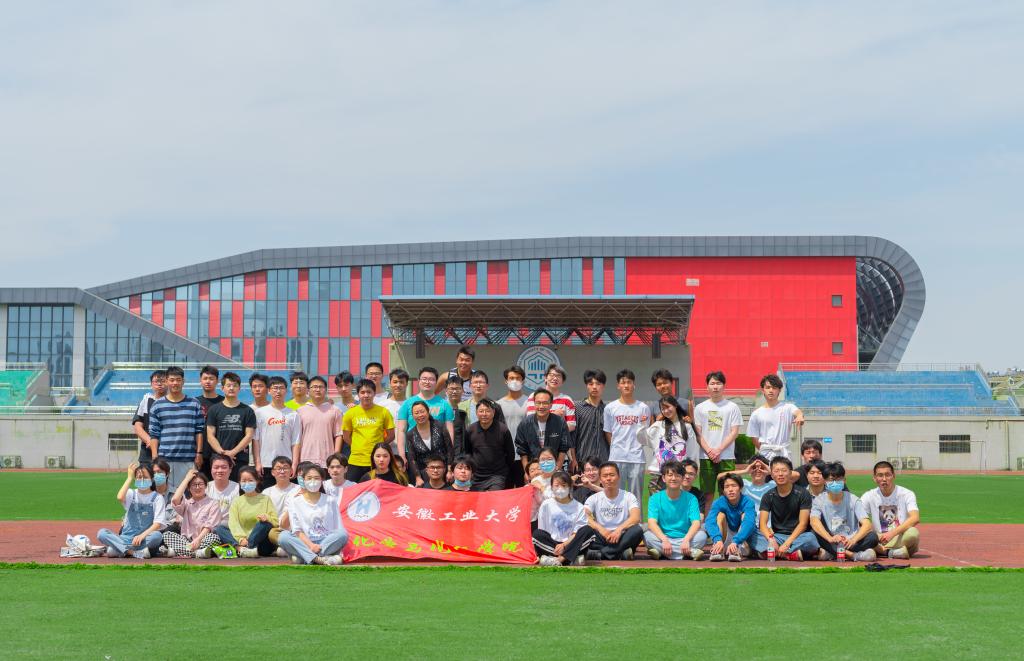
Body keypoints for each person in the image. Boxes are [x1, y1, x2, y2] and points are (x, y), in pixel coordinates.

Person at [277, 464, 349, 566]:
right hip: (305, 542)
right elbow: (297, 531)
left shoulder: (330, 500)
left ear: (322, 480)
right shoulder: (295, 502)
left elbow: (338, 527)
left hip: (326, 541)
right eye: (309, 478)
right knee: (283, 536)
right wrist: (311, 545)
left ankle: (304, 557)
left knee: (342, 534)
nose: (313, 481)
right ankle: (318, 558)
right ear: (303, 480)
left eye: (316, 478)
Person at [148, 365, 205, 489]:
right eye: (172, 380)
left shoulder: (194, 403)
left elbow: (199, 431)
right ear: (166, 381)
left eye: (178, 380)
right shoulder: (157, 405)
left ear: (183, 381)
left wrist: (199, 453)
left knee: (187, 494)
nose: (175, 383)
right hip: (164, 460)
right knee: (162, 493)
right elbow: (154, 433)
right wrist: (155, 458)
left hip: (188, 459)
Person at [693, 371, 743, 512]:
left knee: (727, 492)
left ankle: (727, 522)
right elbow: (698, 433)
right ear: (707, 386)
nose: (715, 386)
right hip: (706, 457)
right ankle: (708, 522)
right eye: (712, 383)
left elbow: (734, 432)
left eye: (718, 383)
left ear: (724, 386)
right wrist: (710, 451)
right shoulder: (700, 408)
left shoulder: (732, 407)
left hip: (726, 456)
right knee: (707, 494)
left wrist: (719, 450)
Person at [810, 462, 879, 561]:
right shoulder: (819, 500)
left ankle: (832, 553)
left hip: (851, 541)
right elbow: (814, 521)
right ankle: (853, 555)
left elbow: (867, 524)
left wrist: (853, 539)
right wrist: (830, 538)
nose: (835, 483)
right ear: (825, 481)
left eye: (839, 479)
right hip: (832, 539)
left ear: (844, 480)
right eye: (831, 480)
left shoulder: (853, 499)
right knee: (813, 533)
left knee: (873, 537)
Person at [754, 456, 820, 561]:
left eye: (784, 470)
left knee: (811, 538)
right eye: (776, 471)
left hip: (798, 536)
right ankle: (789, 554)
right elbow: (762, 524)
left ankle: (773, 553)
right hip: (777, 536)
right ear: (772, 475)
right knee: (753, 533)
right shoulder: (768, 495)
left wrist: (787, 543)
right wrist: (771, 540)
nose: (780, 474)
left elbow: (803, 524)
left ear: (790, 473)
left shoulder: (803, 493)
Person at [603, 369, 652, 506]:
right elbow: (608, 432)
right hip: (616, 458)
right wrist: (616, 447)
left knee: (635, 498)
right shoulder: (610, 408)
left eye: (629, 382)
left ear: (633, 385)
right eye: (623, 382)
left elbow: (645, 433)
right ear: (618, 386)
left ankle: (636, 520)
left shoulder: (643, 408)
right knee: (615, 495)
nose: (626, 385)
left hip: (637, 458)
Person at [97, 462, 166, 559]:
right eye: (139, 477)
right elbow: (120, 497)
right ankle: (132, 552)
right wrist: (129, 477)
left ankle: (120, 549)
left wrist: (142, 536)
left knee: (157, 536)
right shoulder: (131, 493)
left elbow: (157, 524)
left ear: (152, 479)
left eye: (145, 477)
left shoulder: (157, 498)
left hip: (144, 539)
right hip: (125, 538)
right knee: (102, 533)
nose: (142, 480)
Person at [580, 462, 643, 561]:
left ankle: (601, 554)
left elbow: (636, 517)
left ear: (618, 477)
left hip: (622, 537)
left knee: (637, 530)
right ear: (600, 479)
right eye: (605, 476)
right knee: (584, 530)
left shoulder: (629, 496)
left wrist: (619, 530)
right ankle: (620, 553)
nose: (608, 478)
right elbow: (584, 516)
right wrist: (602, 530)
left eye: (612, 475)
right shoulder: (593, 498)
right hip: (602, 536)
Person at [643, 460, 705, 560]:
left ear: (682, 478)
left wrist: (686, 540)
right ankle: (688, 552)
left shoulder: (691, 498)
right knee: (647, 536)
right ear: (663, 478)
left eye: (677, 475)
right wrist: (664, 540)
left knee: (701, 536)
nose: (673, 478)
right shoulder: (655, 498)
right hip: (663, 538)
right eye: (670, 475)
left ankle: (663, 552)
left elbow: (696, 523)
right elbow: (652, 523)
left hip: (685, 538)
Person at [213, 466, 279, 558]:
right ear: (240, 483)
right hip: (241, 541)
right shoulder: (237, 501)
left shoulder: (265, 499)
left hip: (261, 543)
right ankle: (240, 549)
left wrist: (267, 518)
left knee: (264, 524)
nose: (247, 483)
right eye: (243, 481)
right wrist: (241, 539)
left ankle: (246, 547)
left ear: (257, 481)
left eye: (250, 480)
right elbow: (233, 523)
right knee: (220, 528)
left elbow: (276, 522)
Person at [860, 460, 921, 559]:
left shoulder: (906, 494)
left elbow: (915, 518)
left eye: (887, 475)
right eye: (880, 475)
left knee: (912, 534)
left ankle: (880, 551)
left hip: (899, 536)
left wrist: (892, 533)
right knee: (862, 534)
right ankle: (892, 552)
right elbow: (859, 519)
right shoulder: (869, 496)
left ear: (893, 476)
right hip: (878, 539)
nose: (884, 479)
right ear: (874, 478)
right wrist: (876, 535)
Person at [534, 471, 596, 566]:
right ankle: (571, 559)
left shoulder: (579, 507)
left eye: (564, 485)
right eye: (556, 485)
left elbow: (576, 533)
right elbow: (543, 530)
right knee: (537, 534)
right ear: (551, 487)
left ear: (570, 487)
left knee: (587, 530)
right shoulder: (546, 505)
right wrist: (558, 547)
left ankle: (560, 559)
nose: (560, 488)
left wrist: (564, 545)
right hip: (553, 545)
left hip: (571, 542)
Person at [639, 395, 698, 494]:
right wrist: (642, 425)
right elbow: (643, 440)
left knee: (677, 503)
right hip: (658, 474)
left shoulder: (687, 426)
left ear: (675, 405)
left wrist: (688, 471)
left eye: (668, 407)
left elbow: (691, 451)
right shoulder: (658, 425)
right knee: (657, 502)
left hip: (678, 474)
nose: (666, 411)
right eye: (663, 409)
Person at [205, 372, 257, 481]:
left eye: (235, 385)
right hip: (218, 459)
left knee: (239, 488)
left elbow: (249, 435)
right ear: (222, 388)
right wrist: (223, 453)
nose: (231, 388)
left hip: (240, 459)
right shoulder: (214, 410)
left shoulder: (247, 410)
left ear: (239, 388)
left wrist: (233, 452)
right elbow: (210, 436)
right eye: (228, 385)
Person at [341, 379, 396, 482]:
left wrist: (379, 447)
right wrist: (358, 446)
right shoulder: (350, 413)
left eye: (369, 392)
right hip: (356, 460)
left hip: (376, 462)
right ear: (358, 394)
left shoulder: (384, 412)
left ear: (374, 393)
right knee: (353, 490)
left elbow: (391, 435)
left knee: (376, 490)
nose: (366, 395)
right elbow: (346, 437)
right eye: (362, 392)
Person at [253, 375, 301, 488]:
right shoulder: (260, 413)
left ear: (286, 391)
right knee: (266, 495)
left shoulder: (293, 414)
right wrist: (258, 462)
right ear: (269, 391)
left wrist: (294, 464)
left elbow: (296, 442)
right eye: (275, 388)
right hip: (266, 463)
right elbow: (256, 440)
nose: (278, 391)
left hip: (286, 464)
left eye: (281, 388)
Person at [395, 367, 455, 457]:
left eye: (431, 379)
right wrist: (402, 455)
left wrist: (449, 455)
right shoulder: (407, 404)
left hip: (438, 453)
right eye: (424, 379)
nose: (427, 382)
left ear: (436, 382)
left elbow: (449, 431)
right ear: (419, 381)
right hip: (412, 453)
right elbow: (401, 431)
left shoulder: (445, 404)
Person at [163, 468, 222, 558]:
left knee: (214, 538)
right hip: (186, 541)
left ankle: (180, 551)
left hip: (203, 539)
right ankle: (198, 553)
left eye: (200, 484)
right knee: (167, 535)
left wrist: (198, 540)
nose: (197, 487)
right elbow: (175, 500)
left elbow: (209, 526)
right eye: (194, 485)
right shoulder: (187, 503)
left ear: (206, 486)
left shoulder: (213, 503)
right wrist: (186, 479)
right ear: (189, 488)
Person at [463, 399, 518, 491]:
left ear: (493, 412)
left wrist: (504, 472)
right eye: (481, 411)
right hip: (476, 476)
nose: (484, 414)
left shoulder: (503, 430)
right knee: (476, 498)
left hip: (497, 475)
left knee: (492, 496)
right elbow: (467, 452)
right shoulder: (470, 430)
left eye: (487, 411)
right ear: (476, 413)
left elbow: (510, 454)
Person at [515, 388, 572, 477]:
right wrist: (527, 472)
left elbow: (563, 447)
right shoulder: (525, 423)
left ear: (551, 404)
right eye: (538, 403)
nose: (541, 406)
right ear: (534, 403)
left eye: (545, 403)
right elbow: (522, 450)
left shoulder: (560, 422)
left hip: (553, 469)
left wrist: (557, 468)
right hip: (534, 471)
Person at [747, 374, 804, 461]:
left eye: (774, 388)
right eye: (768, 387)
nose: (771, 390)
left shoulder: (787, 407)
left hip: (783, 453)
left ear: (779, 390)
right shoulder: (756, 413)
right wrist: (764, 449)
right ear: (763, 390)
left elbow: (798, 412)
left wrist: (799, 416)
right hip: (765, 455)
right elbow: (754, 437)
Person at [705, 473, 757, 562]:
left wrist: (736, 541)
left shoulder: (748, 502)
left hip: (742, 538)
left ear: (740, 488)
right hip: (725, 536)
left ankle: (736, 550)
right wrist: (717, 539)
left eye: (734, 486)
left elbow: (749, 523)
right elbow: (709, 521)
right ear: (723, 490)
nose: (730, 489)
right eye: (727, 487)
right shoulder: (718, 502)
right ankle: (719, 550)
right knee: (720, 515)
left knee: (744, 516)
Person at [294, 376, 344, 468]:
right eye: (314, 387)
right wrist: (295, 460)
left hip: (327, 460)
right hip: (305, 459)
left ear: (325, 390)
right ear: (308, 391)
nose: (317, 389)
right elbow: (296, 438)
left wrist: (336, 457)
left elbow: (338, 435)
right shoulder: (300, 411)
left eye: (321, 387)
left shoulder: (335, 410)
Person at [405, 400, 455, 486]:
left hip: (443, 472)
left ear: (428, 412)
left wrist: (450, 470)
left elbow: (450, 449)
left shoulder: (440, 426)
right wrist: (418, 477)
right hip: (424, 475)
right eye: (416, 413)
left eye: (422, 411)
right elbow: (412, 459)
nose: (420, 415)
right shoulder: (410, 434)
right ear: (412, 416)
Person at [262, 456, 301, 552]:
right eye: (278, 468)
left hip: (295, 529)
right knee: (271, 533)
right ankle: (289, 547)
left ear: (291, 471)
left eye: (285, 468)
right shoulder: (266, 492)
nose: (282, 471)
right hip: (275, 529)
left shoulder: (299, 490)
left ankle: (288, 548)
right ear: (272, 472)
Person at [525, 365, 576, 434]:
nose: (555, 378)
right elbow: (530, 421)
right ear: (545, 378)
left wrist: (553, 433)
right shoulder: (534, 396)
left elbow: (572, 425)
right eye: (552, 375)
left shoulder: (567, 400)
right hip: (537, 439)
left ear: (562, 381)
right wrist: (553, 416)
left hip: (558, 440)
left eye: (558, 376)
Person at [131, 369, 166, 466]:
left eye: (163, 381)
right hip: (147, 452)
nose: (159, 384)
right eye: (156, 381)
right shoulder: (146, 400)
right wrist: (150, 441)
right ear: (151, 384)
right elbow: (137, 426)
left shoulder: (173, 402)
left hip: (168, 451)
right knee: (145, 475)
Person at [196, 365, 225, 480]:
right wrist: (198, 453)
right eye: (205, 378)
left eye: (211, 379)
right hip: (200, 454)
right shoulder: (195, 402)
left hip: (220, 453)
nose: (208, 381)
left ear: (217, 381)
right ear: (200, 380)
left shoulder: (224, 402)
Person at [574, 369, 608, 466]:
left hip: (603, 461)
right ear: (586, 386)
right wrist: (573, 459)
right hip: (582, 460)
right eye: (591, 384)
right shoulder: (577, 407)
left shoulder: (607, 410)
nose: (594, 387)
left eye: (598, 384)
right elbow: (572, 436)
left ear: (603, 386)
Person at [206, 454, 239, 529]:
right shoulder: (205, 488)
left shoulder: (238, 488)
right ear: (211, 469)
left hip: (230, 527)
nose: (220, 470)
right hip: (207, 526)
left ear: (230, 470)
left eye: (224, 467)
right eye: (216, 467)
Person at [497, 365, 529, 440]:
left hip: (524, 446)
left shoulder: (529, 402)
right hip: (505, 446)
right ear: (506, 381)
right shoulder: (499, 404)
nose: (515, 381)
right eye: (511, 378)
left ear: (523, 381)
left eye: (518, 378)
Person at [445, 376, 469, 455]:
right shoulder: (442, 409)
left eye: (458, 388)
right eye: (451, 389)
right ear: (446, 391)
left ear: (463, 390)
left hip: (463, 454)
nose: (454, 391)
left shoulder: (467, 408)